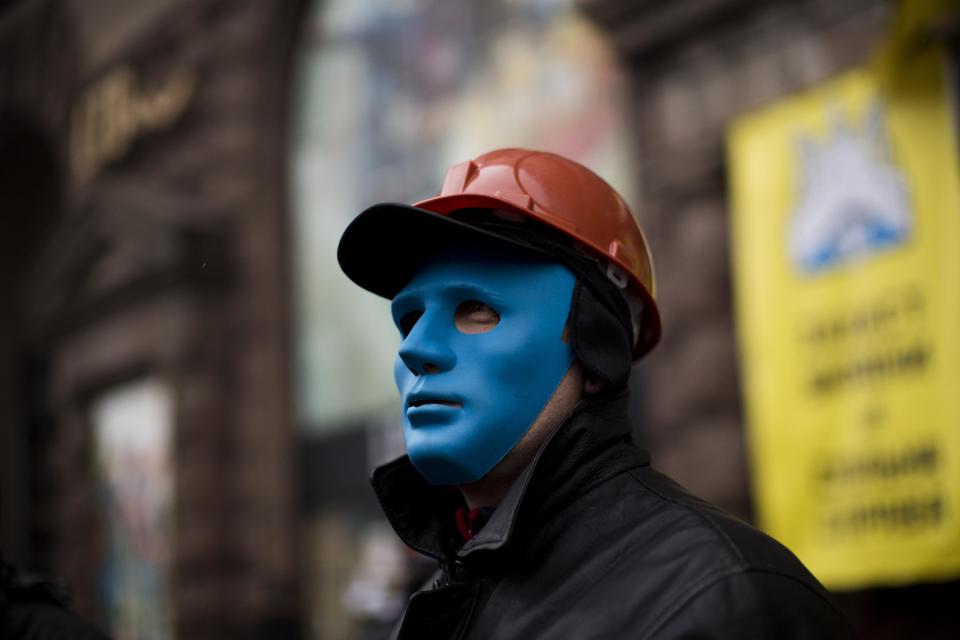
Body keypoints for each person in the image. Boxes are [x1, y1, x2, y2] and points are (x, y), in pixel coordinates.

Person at [337, 148, 855, 639]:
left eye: (476, 309)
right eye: (407, 321)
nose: (415, 350)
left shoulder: (727, 599)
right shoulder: (440, 596)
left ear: (596, 345)